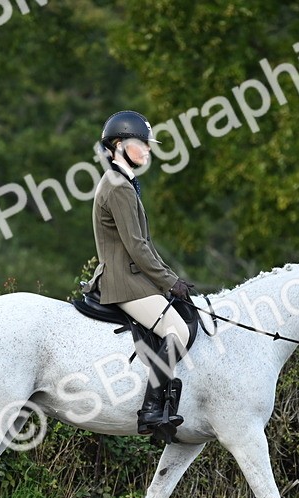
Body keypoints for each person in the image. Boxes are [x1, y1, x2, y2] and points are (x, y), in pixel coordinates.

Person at [89, 110, 193, 439]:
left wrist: (167, 277)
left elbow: (143, 244)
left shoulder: (124, 182)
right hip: (124, 281)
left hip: (134, 276)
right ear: (119, 145)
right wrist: (169, 281)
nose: (148, 150)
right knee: (177, 329)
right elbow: (136, 246)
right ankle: (152, 409)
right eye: (142, 144)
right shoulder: (118, 186)